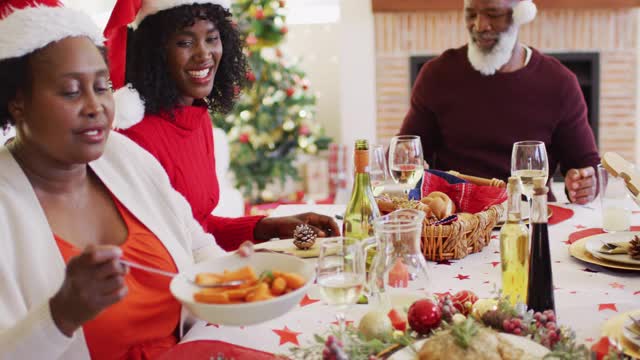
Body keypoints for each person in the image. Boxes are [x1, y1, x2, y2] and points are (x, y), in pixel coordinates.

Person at [0, 2, 245, 358]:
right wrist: (60, 316)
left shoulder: (123, 156)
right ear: (17, 102)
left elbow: (196, 246)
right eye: (71, 91)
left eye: (102, 87)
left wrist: (238, 271)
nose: (95, 106)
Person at [104, 0, 339, 251]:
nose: (204, 53)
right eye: (185, 42)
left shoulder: (198, 118)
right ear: (155, 51)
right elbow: (166, 248)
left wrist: (272, 226)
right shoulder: (135, 138)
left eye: (212, 39)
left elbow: (199, 229)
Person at [397, 0, 600, 204]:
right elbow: (403, 150)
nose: (479, 25)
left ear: (520, 15)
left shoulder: (559, 82)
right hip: (458, 222)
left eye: (493, 14)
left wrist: (585, 185)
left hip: (530, 217)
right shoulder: (437, 75)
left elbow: (587, 166)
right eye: (471, 15)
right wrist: (405, 157)